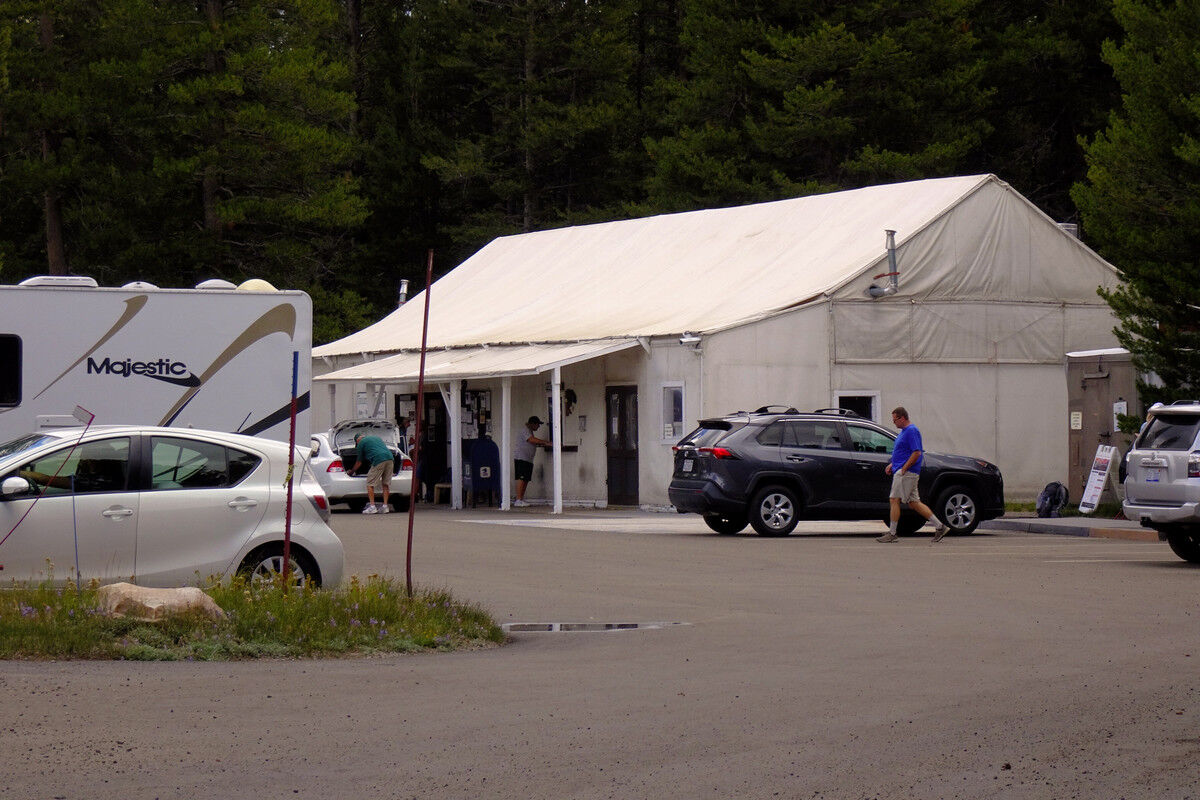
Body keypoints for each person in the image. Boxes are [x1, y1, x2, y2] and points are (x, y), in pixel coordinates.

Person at [876, 406, 949, 543]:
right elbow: (904, 452)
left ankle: (892, 533)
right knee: (914, 503)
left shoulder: (911, 431)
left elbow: (917, 452)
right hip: (904, 470)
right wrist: (893, 464)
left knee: (894, 499)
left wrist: (903, 468)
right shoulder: (905, 431)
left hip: (906, 473)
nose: (894, 423)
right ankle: (940, 526)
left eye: (895, 420)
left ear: (902, 418)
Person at [513, 415, 551, 508]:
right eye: (538, 425)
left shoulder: (529, 431)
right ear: (533, 424)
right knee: (521, 478)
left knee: (525, 479)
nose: (538, 427)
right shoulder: (525, 430)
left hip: (528, 459)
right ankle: (518, 499)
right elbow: (531, 440)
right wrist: (545, 442)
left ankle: (521, 498)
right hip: (522, 458)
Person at [351, 432, 394, 514]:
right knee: (385, 484)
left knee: (370, 484)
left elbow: (359, 462)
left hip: (378, 460)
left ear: (357, 441)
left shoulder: (361, 443)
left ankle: (372, 507)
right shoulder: (376, 437)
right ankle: (385, 507)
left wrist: (351, 471)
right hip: (390, 458)